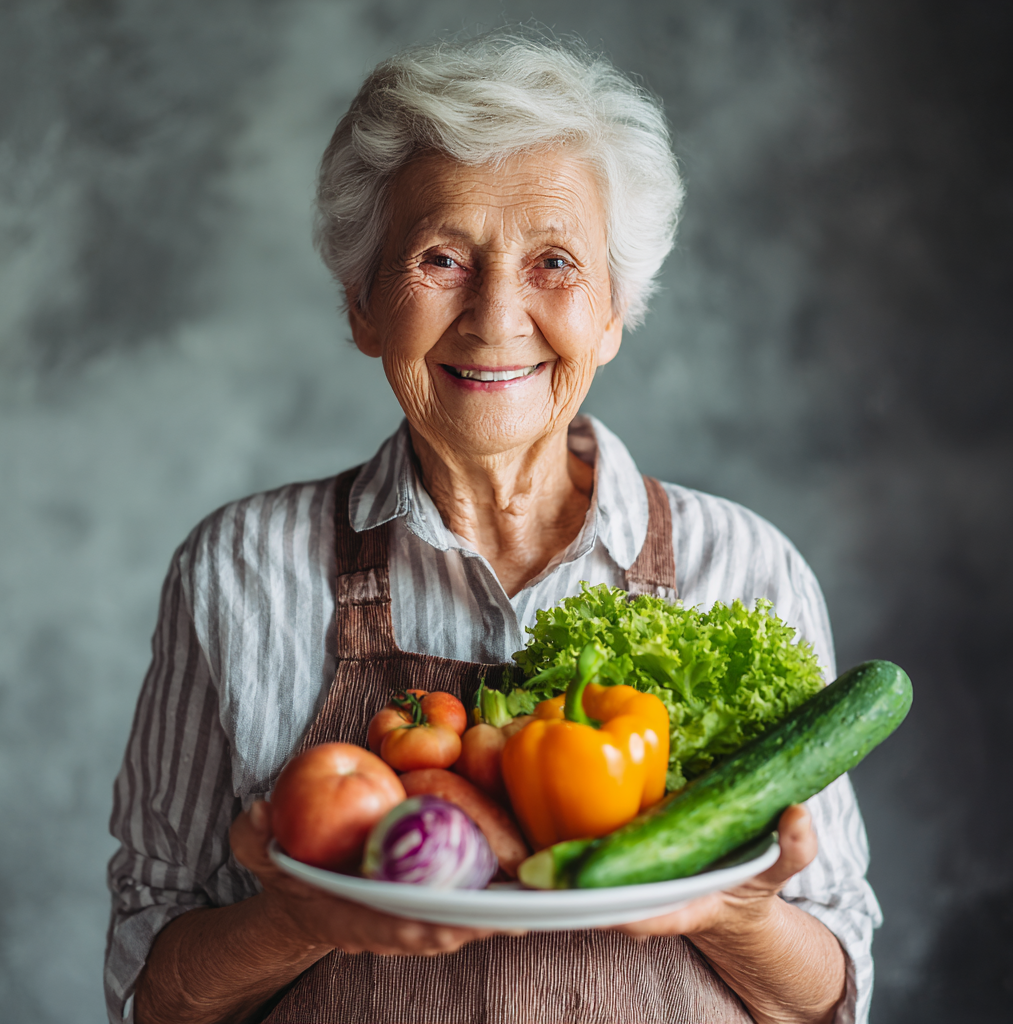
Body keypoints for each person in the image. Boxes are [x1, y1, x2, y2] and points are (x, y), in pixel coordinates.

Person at [105, 33, 882, 1024]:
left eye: (554, 261)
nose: (494, 315)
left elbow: (836, 993)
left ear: (612, 310)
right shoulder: (240, 568)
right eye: (441, 257)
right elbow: (148, 990)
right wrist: (300, 920)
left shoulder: (744, 565)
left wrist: (734, 914)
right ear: (362, 305)